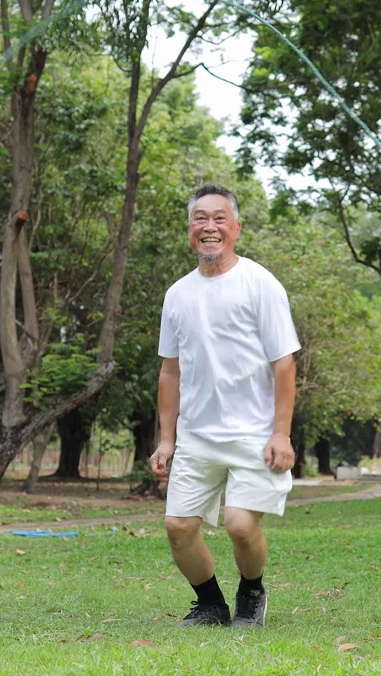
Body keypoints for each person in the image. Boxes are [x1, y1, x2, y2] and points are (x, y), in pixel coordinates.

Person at [150, 184, 300, 629]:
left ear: (236, 227)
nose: (209, 226)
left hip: (254, 433)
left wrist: (281, 433)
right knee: (178, 527)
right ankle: (211, 604)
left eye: (219, 218)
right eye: (200, 218)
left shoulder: (260, 284)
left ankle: (251, 593)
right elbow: (170, 372)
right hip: (197, 434)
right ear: (190, 229)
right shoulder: (177, 294)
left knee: (239, 524)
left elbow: (284, 364)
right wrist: (166, 439)